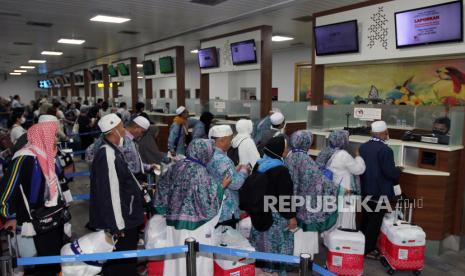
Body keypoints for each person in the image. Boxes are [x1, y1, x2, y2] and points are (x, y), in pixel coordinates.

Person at [0, 115, 65, 276]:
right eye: (54, 134)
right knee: (41, 263)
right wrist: (9, 216)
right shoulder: (24, 157)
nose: (56, 139)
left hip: (54, 217)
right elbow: (7, 190)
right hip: (34, 220)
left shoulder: (50, 155)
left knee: (54, 260)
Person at [154, 139, 231, 276]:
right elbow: (208, 200)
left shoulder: (176, 166)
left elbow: (162, 188)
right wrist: (222, 187)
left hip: (174, 223)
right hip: (197, 228)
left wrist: (167, 209)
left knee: (176, 261)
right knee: (198, 262)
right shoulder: (200, 172)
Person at [89, 114, 145, 276]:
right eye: (121, 128)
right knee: (121, 264)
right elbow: (110, 193)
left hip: (125, 217)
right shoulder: (107, 154)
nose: (124, 130)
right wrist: (117, 225)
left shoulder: (114, 151)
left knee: (124, 261)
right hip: (122, 222)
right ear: (113, 131)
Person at [249, 135, 297, 276]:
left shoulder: (259, 164)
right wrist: (291, 217)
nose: (287, 150)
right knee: (278, 245)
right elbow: (284, 197)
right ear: (279, 150)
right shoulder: (281, 170)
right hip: (276, 217)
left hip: (260, 213)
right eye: (285, 147)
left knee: (261, 243)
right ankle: (274, 272)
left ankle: (262, 270)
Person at [286, 130, 338, 257]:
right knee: (306, 234)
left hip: (294, 203)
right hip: (307, 205)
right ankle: (304, 258)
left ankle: (294, 256)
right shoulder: (306, 159)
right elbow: (319, 181)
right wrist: (337, 188)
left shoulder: (290, 156)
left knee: (295, 233)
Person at [359, 120, 401, 260]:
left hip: (365, 190)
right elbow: (389, 172)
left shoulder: (364, 147)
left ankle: (361, 246)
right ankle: (368, 249)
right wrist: (398, 171)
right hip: (380, 192)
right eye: (386, 132)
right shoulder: (385, 150)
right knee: (375, 223)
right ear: (383, 133)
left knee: (366, 219)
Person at [316, 130, 365, 231]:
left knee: (332, 213)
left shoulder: (325, 151)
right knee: (343, 216)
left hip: (331, 189)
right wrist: (358, 157)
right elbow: (358, 169)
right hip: (344, 190)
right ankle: (343, 238)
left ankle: (329, 238)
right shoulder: (342, 154)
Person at [207, 125, 249, 228]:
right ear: (222, 140)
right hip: (226, 209)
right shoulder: (222, 159)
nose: (231, 142)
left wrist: (234, 169)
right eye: (230, 139)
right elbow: (235, 184)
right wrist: (244, 171)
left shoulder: (208, 153)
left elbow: (219, 174)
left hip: (214, 206)